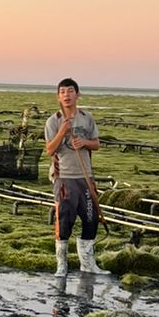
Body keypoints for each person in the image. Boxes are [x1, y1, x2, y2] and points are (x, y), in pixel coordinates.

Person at [43, 77, 101, 282]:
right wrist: (61, 132)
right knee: (64, 220)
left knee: (91, 219)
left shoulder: (87, 118)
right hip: (64, 178)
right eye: (62, 92)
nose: (66, 95)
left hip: (85, 176)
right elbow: (49, 149)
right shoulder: (53, 121)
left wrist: (84, 142)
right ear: (58, 97)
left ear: (78, 94)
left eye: (70, 91)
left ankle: (88, 264)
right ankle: (62, 264)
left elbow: (96, 144)